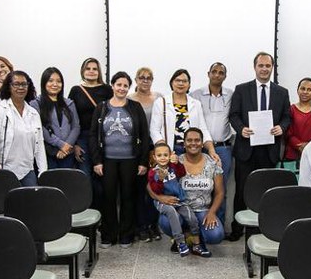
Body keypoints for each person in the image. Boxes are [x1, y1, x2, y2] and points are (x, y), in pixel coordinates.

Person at [228, 52, 291, 241]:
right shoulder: (241, 89)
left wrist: (281, 127)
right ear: (254, 67)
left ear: (272, 68)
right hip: (246, 148)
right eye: (261, 66)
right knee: (242, 190)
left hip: (269, 150)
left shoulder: (282, 92)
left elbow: (287, 117)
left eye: (268, 66)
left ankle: (265, 227)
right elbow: (234, 115)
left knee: (266, 191)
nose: (264, 69)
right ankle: (238, 228)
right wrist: (241, 129)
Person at [90, 71, 150, 248]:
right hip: (107, 160)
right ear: (112, 86)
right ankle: (108, 234)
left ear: (129, 87)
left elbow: (144, 135)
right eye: (119, 84)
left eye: (125, 85)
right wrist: (96, 161)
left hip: (130, 160)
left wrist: (143, 161)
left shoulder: (135, 107)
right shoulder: (101, 107)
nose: (122, 88)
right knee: (108, 198)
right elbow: (93, 135)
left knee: (128, 197)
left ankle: (126, 235)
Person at [150, 128, 225, 249]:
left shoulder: (212, 163)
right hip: (179, 208)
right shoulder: (174, 162)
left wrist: (212, 212)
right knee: (166, 222)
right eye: (189, 140)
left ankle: (193, 237)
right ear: (184, 143)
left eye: (197, 140)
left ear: (202, 143)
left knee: (216, 235)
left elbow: (220, 193)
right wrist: (160, 198)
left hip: (202, 211)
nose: (193, 143)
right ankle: (181, 236)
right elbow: (150, 185)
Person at [0, 70, 47, 186]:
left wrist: (43, 172)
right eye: (16, 84)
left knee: (32, 201)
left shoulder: (33, 113)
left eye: (24, 84)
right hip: (4, 168)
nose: (20, 87)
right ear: (8, 87)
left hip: (27, 170)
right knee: (7, 202)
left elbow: (40, 145)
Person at [147, 142, 209, 257]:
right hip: (162, 202)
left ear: (170, 155)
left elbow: (182, 173)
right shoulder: (153, 172)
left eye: (165, 155)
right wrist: (160, 179)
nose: (162, 158)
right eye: (159, 155)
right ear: (155, 157)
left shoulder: (172, 167)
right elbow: (156, 191)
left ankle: (197, 244)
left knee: (192, 218)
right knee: (171, 212)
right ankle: (180, 243)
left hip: (179, 200)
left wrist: (177, 163)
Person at [190, 62, 233, 225]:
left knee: (220, 189)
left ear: (225, 76)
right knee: (196, 187)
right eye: (214, 72)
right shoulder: (195, 95)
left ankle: (217, 224)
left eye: (221, 72)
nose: (217, 75)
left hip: (223, 148)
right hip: (199, 150)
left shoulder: (231, 94)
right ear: (208, 74)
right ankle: (195, 226)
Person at [150, 69, 218, 161]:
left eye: (184, 81)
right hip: (170, 151)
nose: (181, 83)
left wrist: (211, 149)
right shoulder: (161, 102)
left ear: (189, 84)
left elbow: (203, 129)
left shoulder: (196, 103)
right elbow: (154, 130)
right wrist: (164, 149)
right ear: (172, 83)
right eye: (177, 80)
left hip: (192, 150)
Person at [129, 66, 163, 242]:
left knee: (155, 186)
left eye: (148, 77)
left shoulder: (159, 98)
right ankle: (140, 226)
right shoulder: (129, 99)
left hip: (155, 148)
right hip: (135, 149)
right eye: (141, 77)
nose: (145, 80)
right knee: (139, 189)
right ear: (136, 80)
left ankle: (153, 224)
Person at [68, 57, 113, 177]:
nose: (91, 71)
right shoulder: (76, 90)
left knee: (104, 174)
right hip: (83, 137)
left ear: (99, 72)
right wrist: (75, 144)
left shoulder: (107, 89)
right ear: (83, 71)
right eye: (88, 69)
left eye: (95, 69)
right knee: (85, 174)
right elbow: (70, 118)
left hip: (103, 137)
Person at [30, 67, 80, 169]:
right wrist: (60, 145)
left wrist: (67, 146)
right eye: (51, 81)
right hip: (48, 152)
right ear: (44, 83)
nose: (55, 84)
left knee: (67, 182)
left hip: (68, 153)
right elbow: (40, 128)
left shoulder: (69, 103)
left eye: (59, 81)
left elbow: (76, 127)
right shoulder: (35, 104)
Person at [285, 77, 311, 163]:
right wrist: (300, 146)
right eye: (302, 89)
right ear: (298, 90)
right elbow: (288, 133)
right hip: (293, 155)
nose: (305, 92)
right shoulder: (290, 110)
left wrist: (309, 146)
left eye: (309, 90)